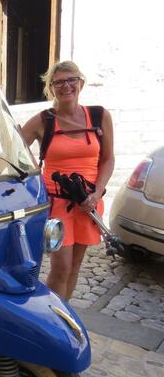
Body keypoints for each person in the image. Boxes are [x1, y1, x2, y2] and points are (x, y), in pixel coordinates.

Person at [21, 61, 115, 300]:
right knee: (61, 266)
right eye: (59, 82)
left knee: (74, 265)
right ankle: (51, 319)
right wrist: (34, 172)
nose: (66, 86)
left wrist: (98, 193)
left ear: (80, 82)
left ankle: (64, 313)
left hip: (88, 202)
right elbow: (15, 147)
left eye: (71, 79)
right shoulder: (44, 120)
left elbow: (107, 159)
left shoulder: (99, 116)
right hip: (57, 204)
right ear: (51, 88)